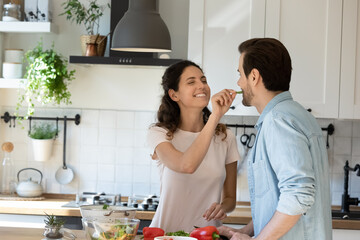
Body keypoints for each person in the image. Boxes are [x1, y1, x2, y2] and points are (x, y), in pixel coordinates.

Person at [218, 38, 332, 239]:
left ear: (254, 76)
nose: (238, 83)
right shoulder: (297, 115)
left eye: (239, 74)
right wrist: (246, 232)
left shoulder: (278, 121)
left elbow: (297, 195)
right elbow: (278, 198)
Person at [146, 60, 240, 232]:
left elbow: (230, 198)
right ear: (174, 95)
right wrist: (215, 116)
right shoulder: (160, 134)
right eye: (191, 82)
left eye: (203, 80)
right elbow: (186, 165)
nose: (201, 86)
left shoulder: (226, 138)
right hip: (165, 234)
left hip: (207, 234)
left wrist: (223, 208)